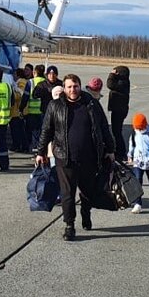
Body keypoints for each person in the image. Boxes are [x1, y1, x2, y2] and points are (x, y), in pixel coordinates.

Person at [34, 74, 117, 242]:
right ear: (64, 88)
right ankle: (69, 225)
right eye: (69, 87)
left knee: (87, 192)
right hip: (65, 158)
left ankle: (86, 215)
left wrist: (110, 149)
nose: (73, 90)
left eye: (76, 86)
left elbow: (103, 127)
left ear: (80, 87)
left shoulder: (91, 104)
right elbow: (46, 130)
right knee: (67, 193)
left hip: (89, 157)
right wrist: (40, 152)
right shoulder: (55, 105)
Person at [106, 65, 131, 157]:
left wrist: (111, 75)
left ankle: (121, 151)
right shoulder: (123, 81)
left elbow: (110, 84)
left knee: (116, 131)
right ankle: (120, 150)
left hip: (119, 110)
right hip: (119, 109)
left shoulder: (122, 82)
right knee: (116, 131)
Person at [24, 64, 48, 152]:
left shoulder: (31, 82)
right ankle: (42, 150)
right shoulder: (46, 82)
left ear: (35, 72)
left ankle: (35, 150)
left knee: (34, 133)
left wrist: (21, 108)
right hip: (44, 111)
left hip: (32, 111)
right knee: (43, 132)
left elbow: (25, 97)